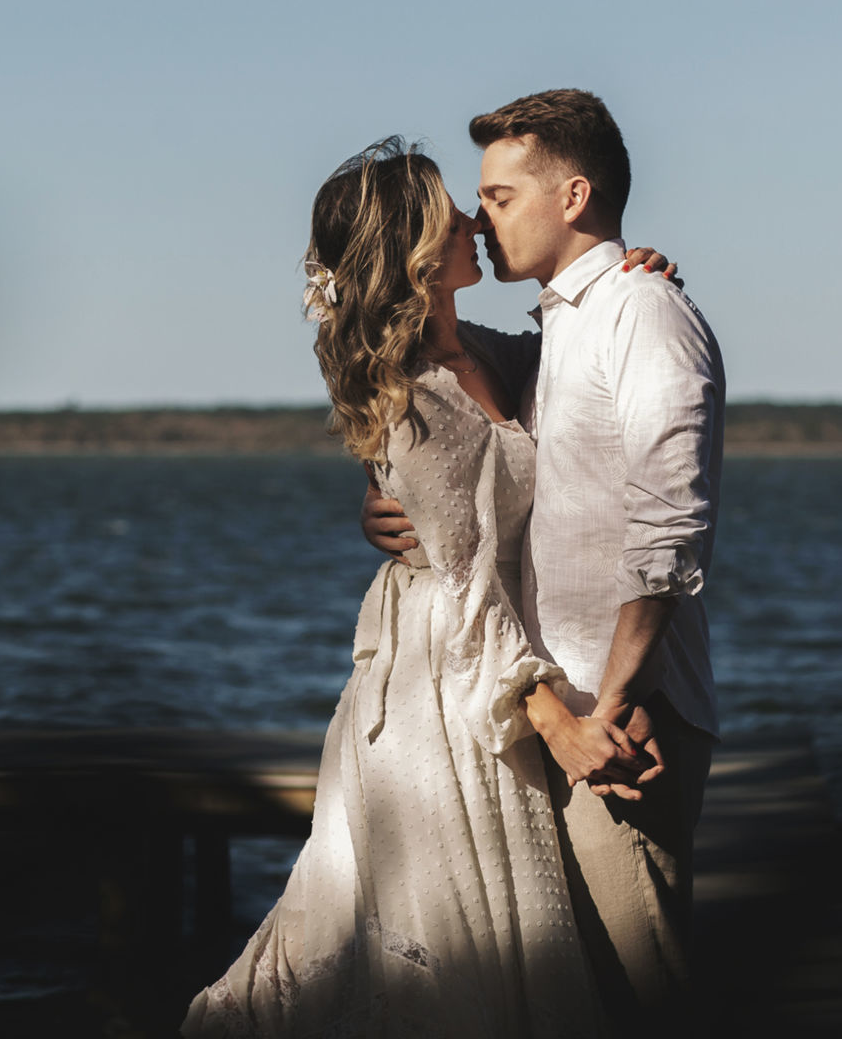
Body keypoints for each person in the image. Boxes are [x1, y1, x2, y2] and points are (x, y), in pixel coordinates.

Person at [183, 138, 672, 1038]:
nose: (474, 222)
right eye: (451, 215)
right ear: (413, 250)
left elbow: (579, 357)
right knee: (447, 939)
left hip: (486, 663)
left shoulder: (485, 352)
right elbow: (463, 589)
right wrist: (558, 723)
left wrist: (622, 278)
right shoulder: (409, 396)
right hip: (444, 688)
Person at [361, 90, 726, 1037]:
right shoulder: (554, 329)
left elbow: (668, 533)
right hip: (559, 714)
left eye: (499, 196)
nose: (482, 219)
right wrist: (385, 497)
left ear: (573, 196)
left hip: (621, 720)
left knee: (646, 994)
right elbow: (424, 396)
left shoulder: (639, 312)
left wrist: (608, 706)